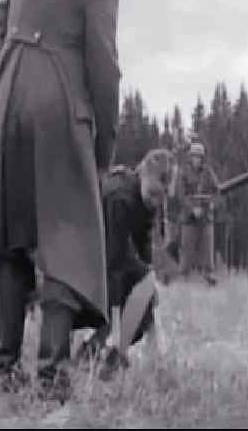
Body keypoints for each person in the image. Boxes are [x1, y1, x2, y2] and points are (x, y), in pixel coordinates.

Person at [0, 0, 122, 384]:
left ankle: (5, 362)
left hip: (7, 101)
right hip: (59, 109)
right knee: (66, 238)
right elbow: (104, 72)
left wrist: (9, 84)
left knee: (12, 233)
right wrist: (103, 151)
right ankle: (52, 371)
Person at [75, 149, 174, 379]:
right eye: (153, 195)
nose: (155, 203)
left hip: (108, 256)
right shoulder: (118, 198)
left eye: (161, 197)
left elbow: (142, 242)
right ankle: (102, 352)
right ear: (142, 174)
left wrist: (149, 280)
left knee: (143, 301)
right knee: (131, 301)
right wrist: (117, 318)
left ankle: (100, 355)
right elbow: (114, 263)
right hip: (82, 259)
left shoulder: (144, 197)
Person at [178, 142, 219, 279]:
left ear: (203, 158)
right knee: (187, 250)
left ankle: (209, 275)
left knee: (207, 248)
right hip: (189, 218)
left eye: (199, 156)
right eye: (194, 156)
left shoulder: (208, 172)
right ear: (190, 157)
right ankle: (184, 276)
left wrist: (212, 203)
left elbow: (217, 191)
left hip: (206, 216)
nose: (197, 159)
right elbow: (181, 195)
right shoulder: (184, 173)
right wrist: (192, 209)